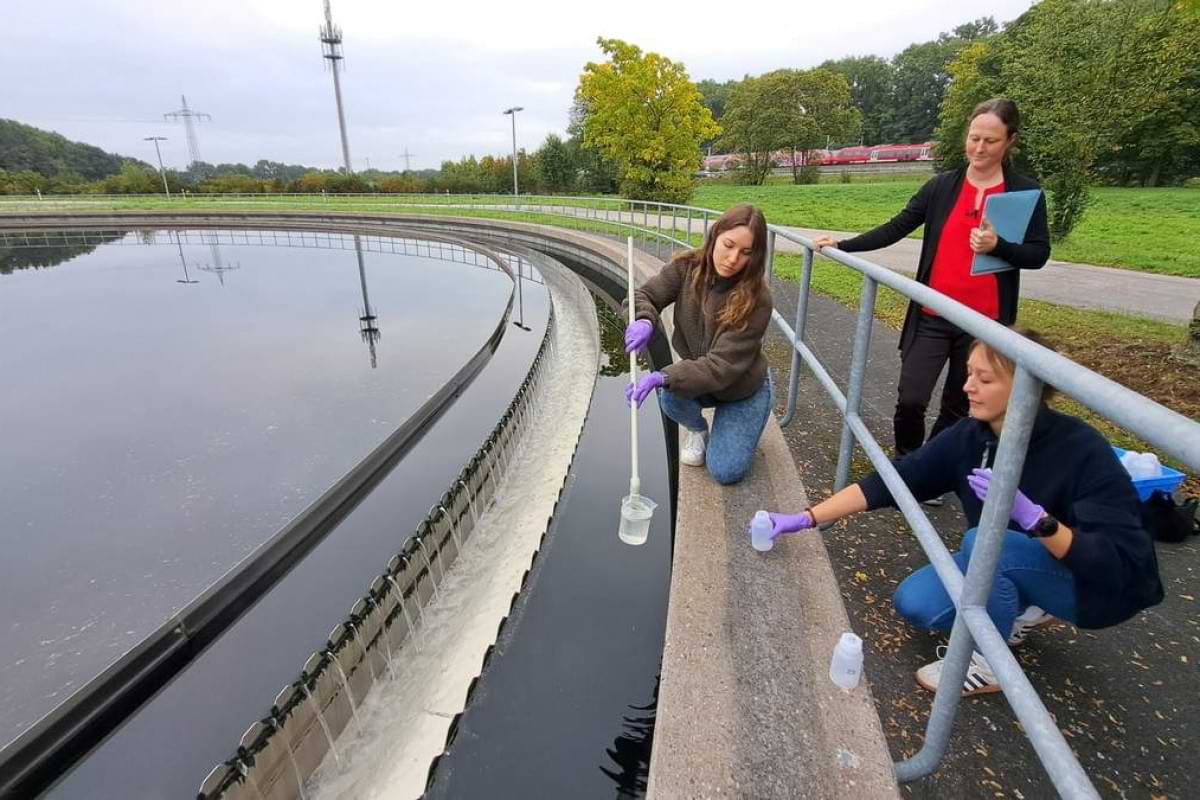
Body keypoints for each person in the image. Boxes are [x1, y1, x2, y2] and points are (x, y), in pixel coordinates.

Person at [764, 334, 1164, 696]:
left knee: (984, 543)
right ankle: (1024, 607)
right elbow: (895, 481)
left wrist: (1038, 520)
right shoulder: (973, 434)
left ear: (1029, 386)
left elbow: (1120, 562)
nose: (966, 386)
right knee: (915, 603)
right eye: (969, 373)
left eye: (984, 379)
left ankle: (992, 664)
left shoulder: (1081, 449)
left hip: (1092, 585)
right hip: (1003, 557)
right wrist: (807, 518)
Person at [814, 98, 1051, 470]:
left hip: (985, 325)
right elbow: (897, 226)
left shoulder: (1023, 194)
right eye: (974, 138)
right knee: (911, 396)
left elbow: (1038, 254)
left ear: (1010, 142)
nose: (979, 148)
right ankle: (908, 461)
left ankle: (932, 467)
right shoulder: (941, 187)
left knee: (959, 406)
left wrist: (999, 246)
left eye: (990, 140)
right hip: (932, 314)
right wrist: (844, 245)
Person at [624, 204, 773, 485]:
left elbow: (721, 366)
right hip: (703, 378)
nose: (732, 259)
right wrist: (643, 319)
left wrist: (664, 374)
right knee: (669, 393)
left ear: (755, 256)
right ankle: (699, 429)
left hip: (741, 387)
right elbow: (643, 296)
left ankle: (758, 403)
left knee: (725, 472)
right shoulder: (686, 268)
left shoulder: (757, 299)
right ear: (715, 235)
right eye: (728, 245)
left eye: (745, 252)